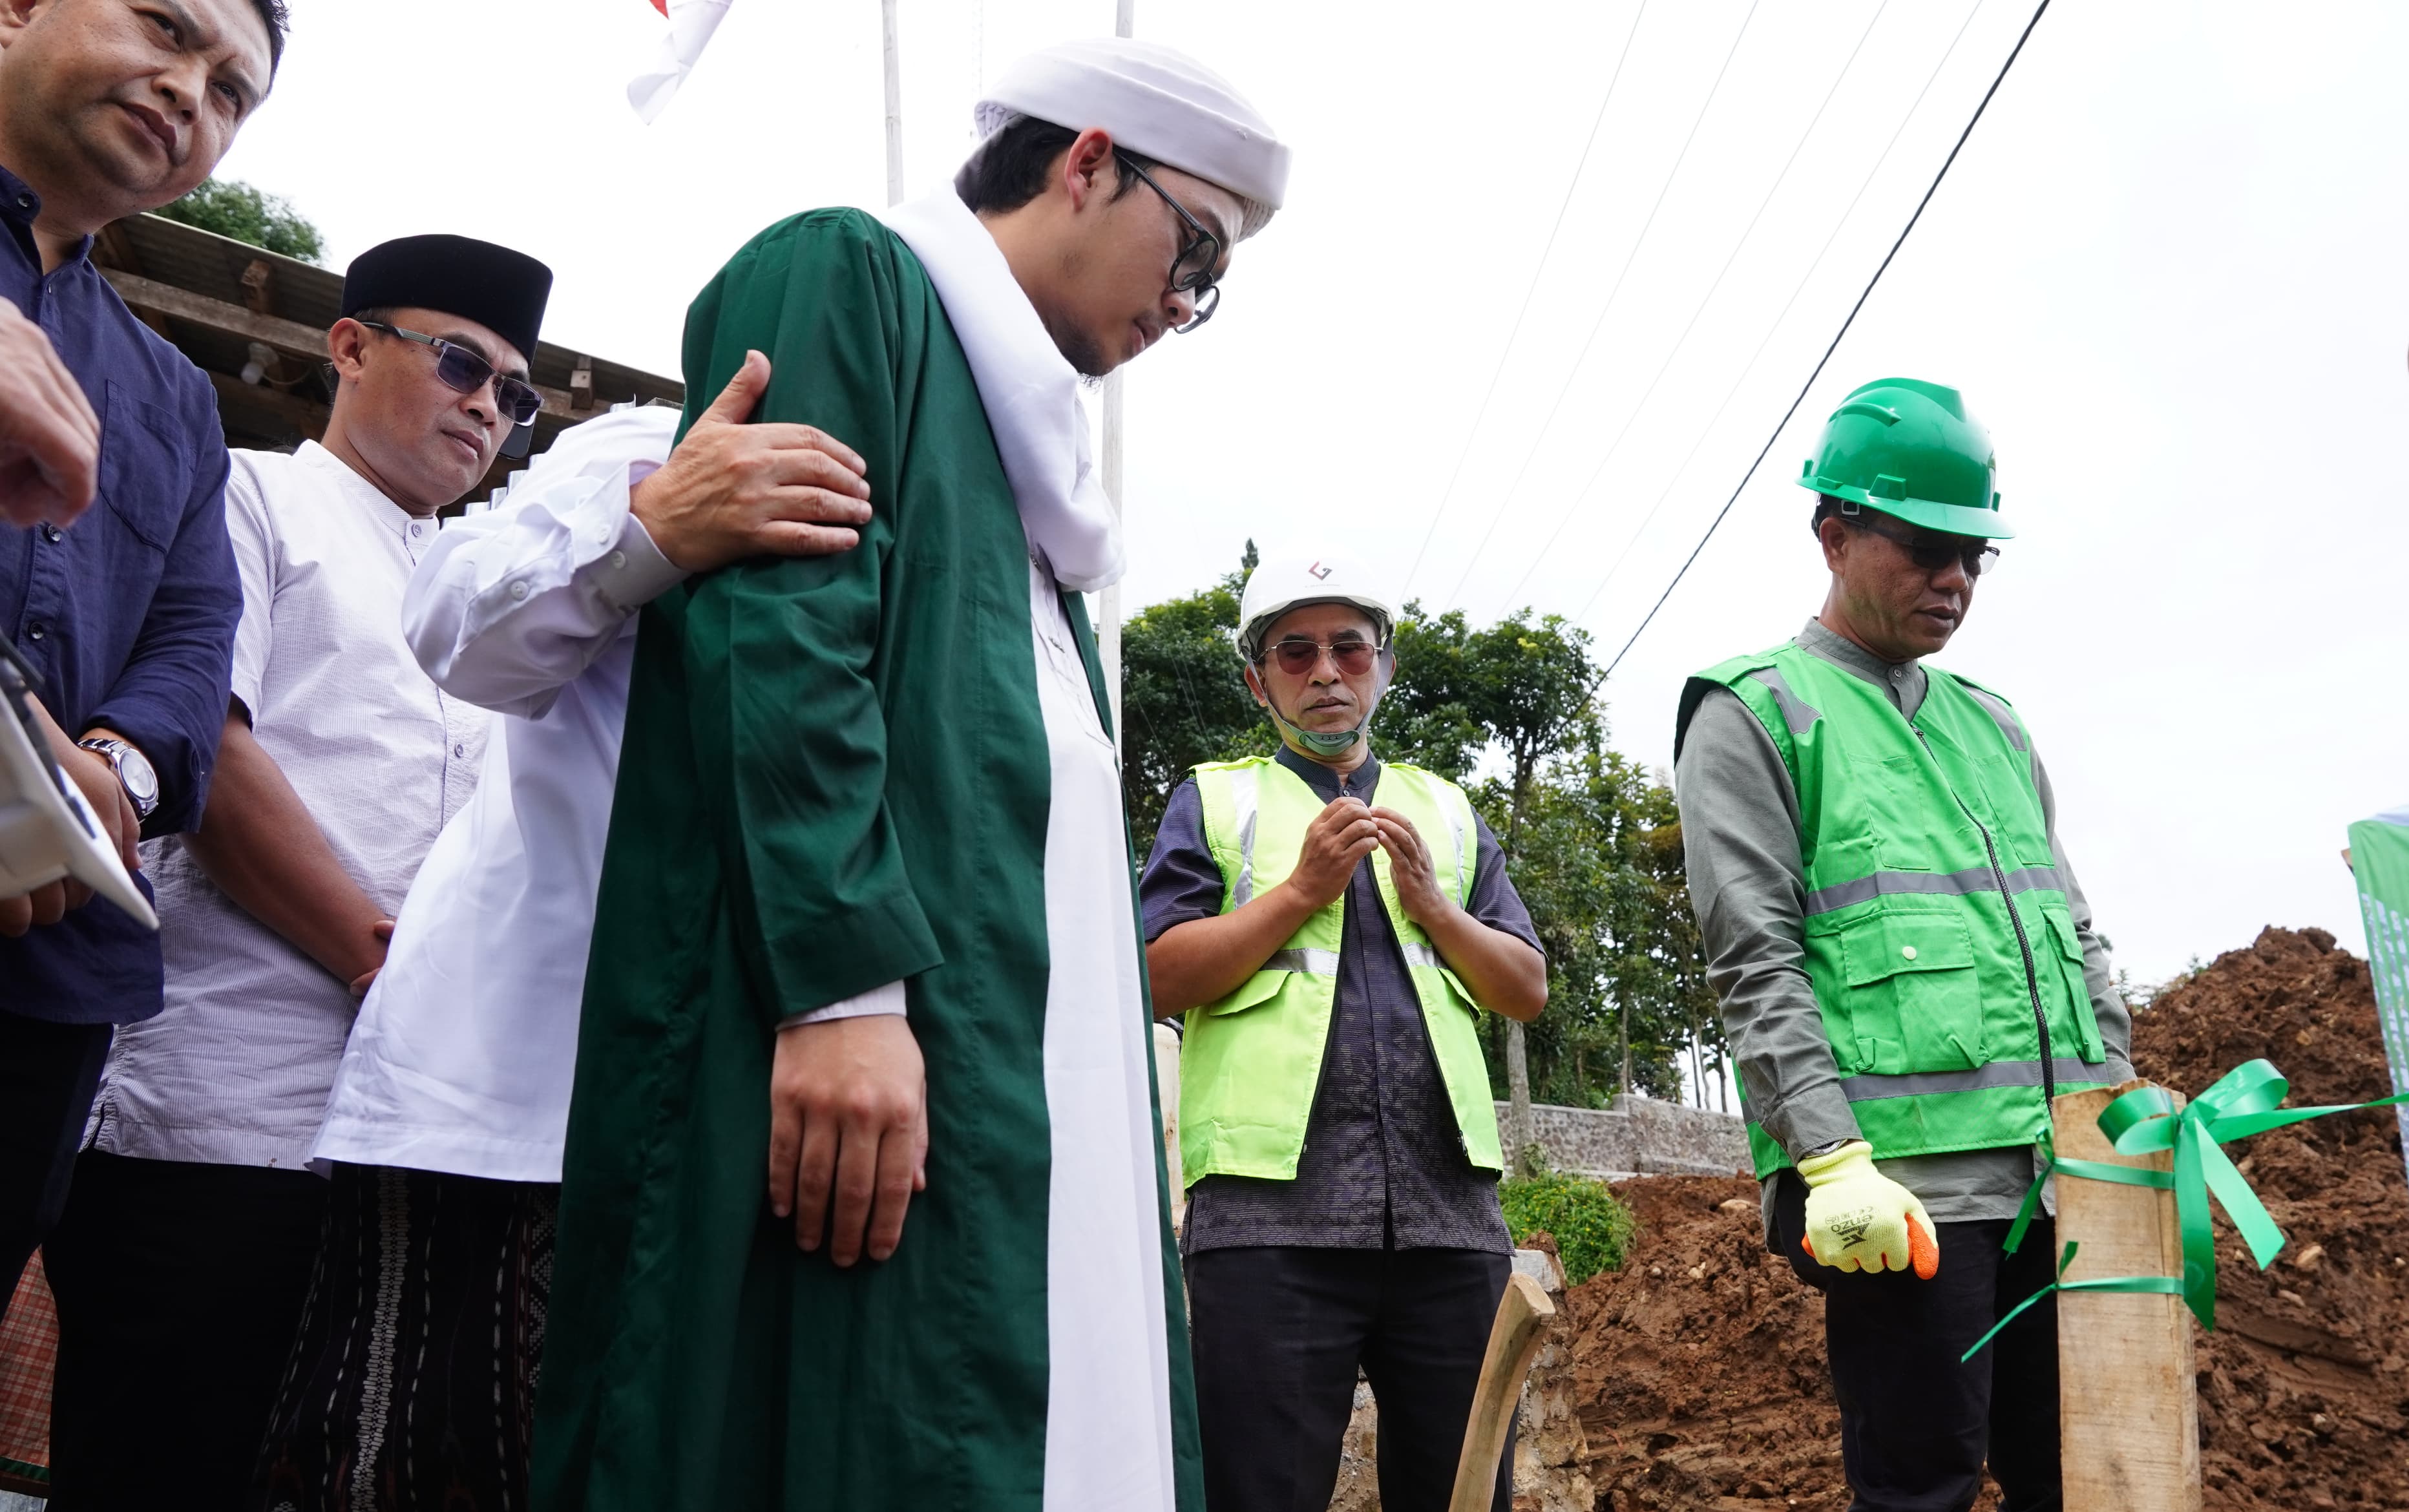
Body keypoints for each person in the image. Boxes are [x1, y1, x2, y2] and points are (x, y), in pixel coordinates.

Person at [531, 37, 1290, 1512]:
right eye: (1193, 248)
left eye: (1213, 285)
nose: (1183, 303)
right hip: (871, 1030)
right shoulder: (851, 278)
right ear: (1087, 162)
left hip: (1037, 1059)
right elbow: (788, 637)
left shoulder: (1028, 462)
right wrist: (843, 993)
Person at [251, 356, 872, 1512]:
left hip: (730, 1113)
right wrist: (653, 528)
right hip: (507, 1098)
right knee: (421, 1462)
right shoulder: (651, 441)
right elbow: (454, 621)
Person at [43, 233, 551, 1508]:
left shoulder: (484, 583)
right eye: (462, 364)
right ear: (351, 346)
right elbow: (207, 750)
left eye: (516, 393)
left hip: (407, 1140)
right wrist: (386, 965)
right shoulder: (254, 494)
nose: (488, 407)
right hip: (225, 1111)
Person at [1673, 377, 2132, 1512]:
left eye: (1974, 556)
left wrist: (2118, 1108)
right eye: (1927, 551)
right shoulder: (1757, 712)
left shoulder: (1994, 724)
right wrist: (1831, 1160)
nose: (1955, 580)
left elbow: (2072, 927)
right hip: (1908, 1198)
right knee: (1922, 1486)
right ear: (1834, 536)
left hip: (2062, 1184)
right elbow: (1757, 962)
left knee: (2077, 1480)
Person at [1141, 550, 1548, 1512]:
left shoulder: (1446, 810)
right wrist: (1300, 891)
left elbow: (1525, 988)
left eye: (1349, 648)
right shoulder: (1216, 799)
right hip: (1267, 1226)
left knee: (1461, 1496)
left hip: (1449, 1223)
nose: (1325, 671)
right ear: (1259, 681)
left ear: (1384, 667)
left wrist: (1435, 909)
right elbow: (1154, 972)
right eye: (1295, 652)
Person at [0, 0, 280, 1318]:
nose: (189, 91)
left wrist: (109, 776)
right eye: (167, 28)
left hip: (45, 967)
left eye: (230, 91)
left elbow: (192, 630)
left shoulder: (173, 395)